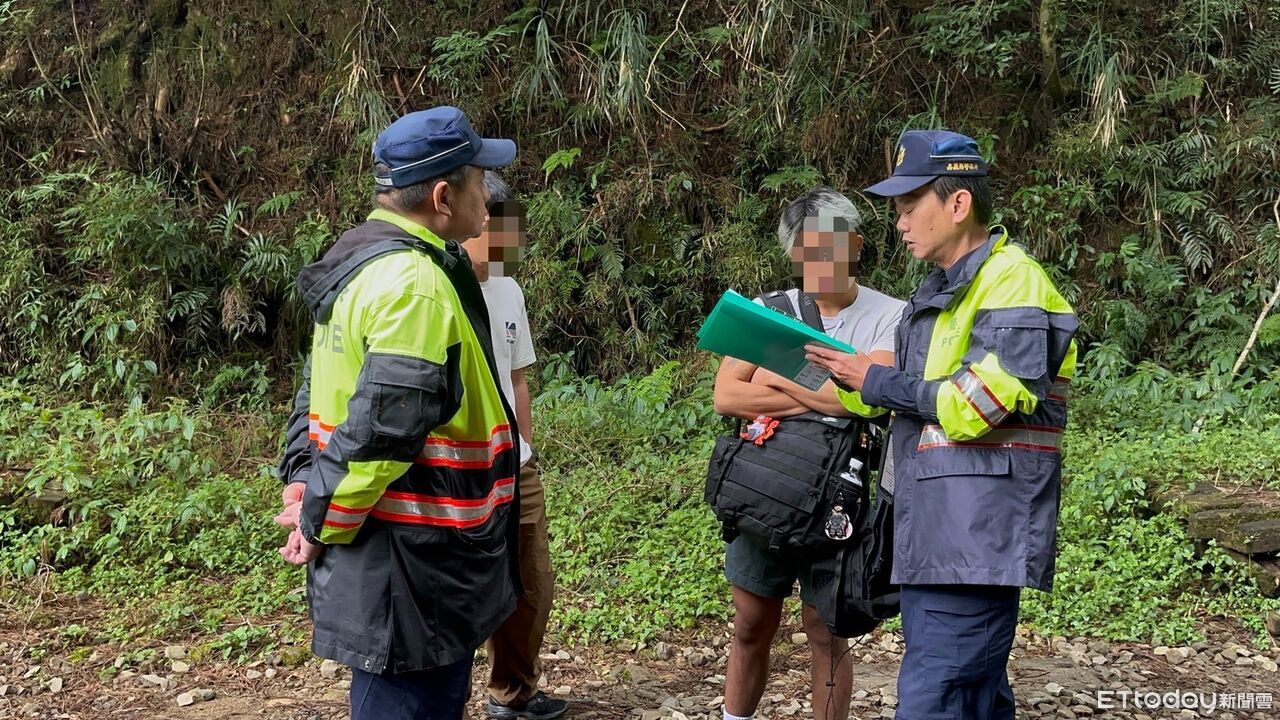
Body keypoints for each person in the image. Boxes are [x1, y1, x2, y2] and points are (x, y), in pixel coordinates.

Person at [805, 130, 1078, 720]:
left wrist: (873, 380)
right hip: (939, 528)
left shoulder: (1011, 280)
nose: (899, 224)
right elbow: (906, 393)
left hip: (974, 531)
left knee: (936, 696)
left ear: (958, 204)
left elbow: (977, 405)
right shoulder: (941, 288)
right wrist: (841, 377)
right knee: (971, 695)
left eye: (910, 208)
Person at [274, 106, 522, 720]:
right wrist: (318, 516)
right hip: (416, 561)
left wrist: (305, 475)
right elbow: (385, 426)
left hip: (400, 550)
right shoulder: (413, 282)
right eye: (478, 181)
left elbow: (318, 390)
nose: (488, 200)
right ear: (443, 195)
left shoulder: (362, 263)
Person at [713, 187, 905, 720]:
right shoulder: (769, 311)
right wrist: (824, 394)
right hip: (768, 487)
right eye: (805, 254)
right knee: (751, 622)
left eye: (828, 251)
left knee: (827, 630)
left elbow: (864, 405)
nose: (817, 265)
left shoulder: (892, 317)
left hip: (838, 496)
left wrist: (779, 376)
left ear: (856, 246)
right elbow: (726, 396)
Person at [460, 172, 566, 720]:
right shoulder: (437, 287)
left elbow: (517, 378)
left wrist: (527, 446)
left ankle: (512, 691)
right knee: (461, 583)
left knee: (532, 580)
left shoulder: (508, 288)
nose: (512, 243)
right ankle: (445, 695)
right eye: (500, 227)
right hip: (455, 468)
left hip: (513, 461)